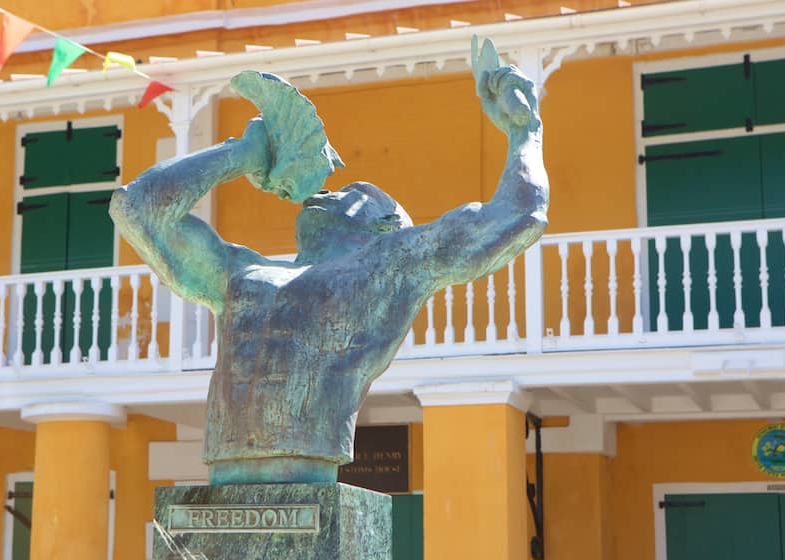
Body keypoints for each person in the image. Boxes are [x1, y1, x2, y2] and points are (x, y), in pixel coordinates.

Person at [109, 37, 549, 485]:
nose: (323, 193)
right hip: (225, 469)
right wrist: (242, 153)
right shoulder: (239, 272)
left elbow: (518, 215)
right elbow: (138, 208)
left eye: (346, 194)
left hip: (310, 464)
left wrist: (524, 133)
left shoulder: (388, 266)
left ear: (383, 223)